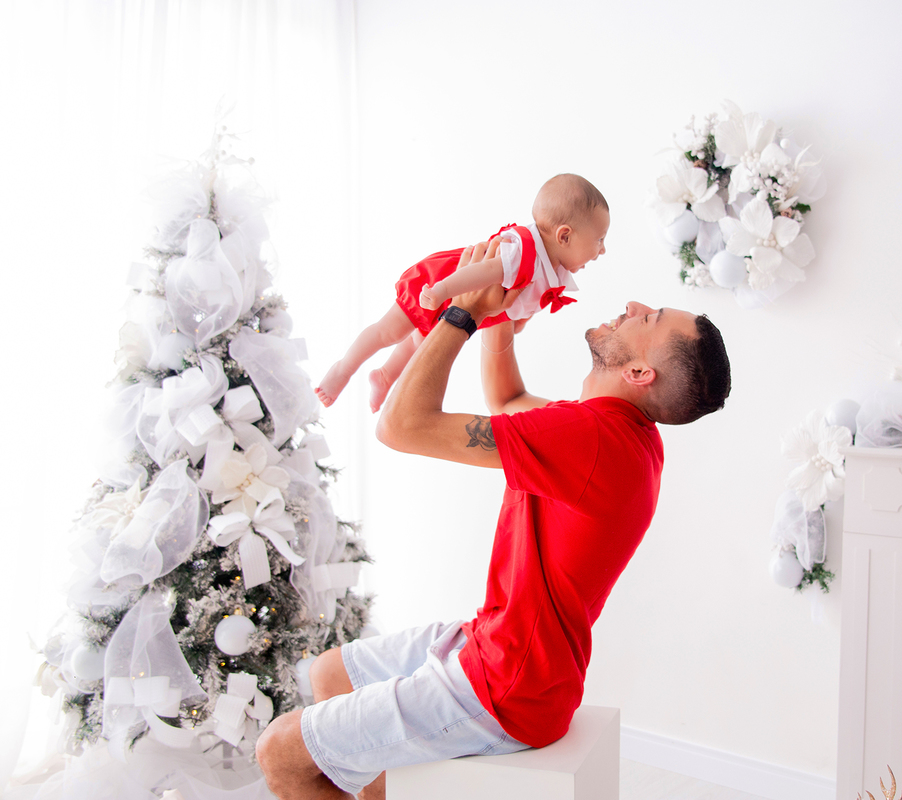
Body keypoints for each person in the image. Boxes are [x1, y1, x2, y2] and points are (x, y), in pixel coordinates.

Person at [257, 238, 731, 800]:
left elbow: (399, 426)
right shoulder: (618, 431)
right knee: (328, 677)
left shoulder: (591, 440)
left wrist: (463, 312)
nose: (630, 305)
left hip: (506, 689)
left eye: (646, 317)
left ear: (637, 371)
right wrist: (502, 316)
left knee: (280, 752)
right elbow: (507, 401)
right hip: (498, 648)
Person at [315, 173, 609, 413]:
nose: (602, 250)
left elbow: (520, 302)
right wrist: (442, 289)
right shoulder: (523, 252)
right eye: (599, 240)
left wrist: (518, 320)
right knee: (389, 332)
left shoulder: (551, 269)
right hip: (443, 283)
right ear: (565, 236)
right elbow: (484, 272)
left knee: (420, 341)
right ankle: (343, 369)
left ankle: (385, 375)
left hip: (464, 305)